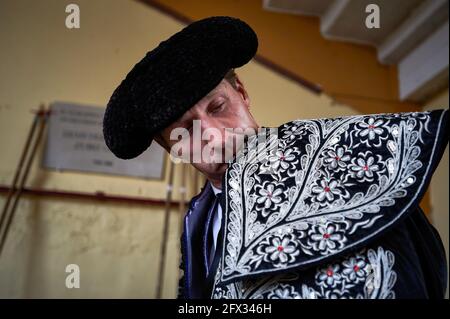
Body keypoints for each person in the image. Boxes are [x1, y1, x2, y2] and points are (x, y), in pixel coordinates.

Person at [103, 16, 448, 299]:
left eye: (218, 107)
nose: (212, 134)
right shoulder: (199, 215)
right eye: (187, 129)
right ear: (172, 148)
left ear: (242, 93)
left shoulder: (342, 160)